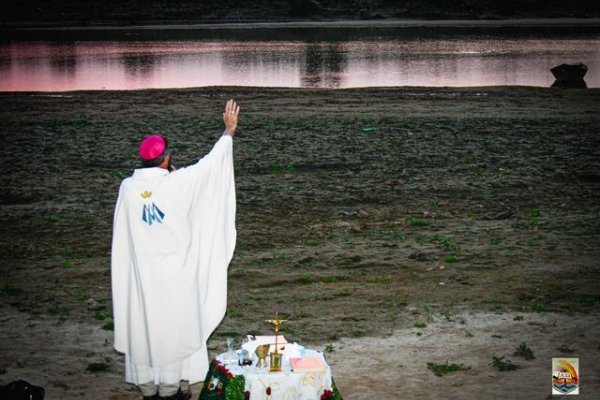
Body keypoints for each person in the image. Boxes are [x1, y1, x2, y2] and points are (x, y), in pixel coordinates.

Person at [111, 100, 240, 400]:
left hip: (141, 279)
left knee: (145, 325)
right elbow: (210, 166)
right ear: (166, 159)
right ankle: (170, 390)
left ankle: (149, 391)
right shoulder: (178, 182)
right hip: (174, 279)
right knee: (172, 329)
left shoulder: (128, 189)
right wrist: (228, 132)